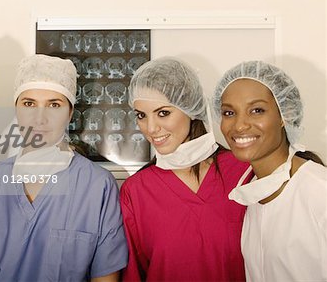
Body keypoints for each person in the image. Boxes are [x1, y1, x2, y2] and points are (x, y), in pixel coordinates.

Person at [0, 54, 127, 282]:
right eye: (29, 103)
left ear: (69, 113)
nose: (40, 118)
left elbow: (105, 277)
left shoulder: (97, 186)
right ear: (15, 108)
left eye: (54, 105)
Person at [120, 57, 253, 281]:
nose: (151, 128)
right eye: (141, 116)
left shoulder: (244, 173)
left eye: (163, 113)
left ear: (191, 108)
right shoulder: (136, 192)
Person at [212, 60, 327, 281]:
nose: (239, 125)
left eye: (257, 110)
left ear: (285, 114)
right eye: (228, 113)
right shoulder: (253, 195)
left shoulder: (319, 191)